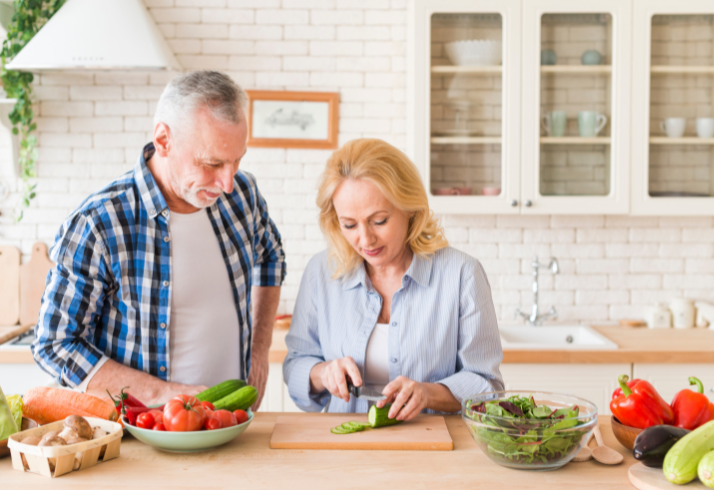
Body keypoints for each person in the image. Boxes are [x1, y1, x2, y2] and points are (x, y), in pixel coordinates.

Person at [32, 71, 286, 409]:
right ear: (163, 140)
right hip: (139, 435)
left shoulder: (242, 194)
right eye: (212, 163)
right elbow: (55, 345)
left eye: (236, 161)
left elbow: (271, 258)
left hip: (233, 424)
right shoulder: (99, 223)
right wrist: (163, 394)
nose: (227, 182)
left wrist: (259, 351)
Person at [284, 138, 503, 420]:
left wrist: (428, 392)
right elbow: (296, 363)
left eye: (379, 221)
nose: (365, 239)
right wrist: (323, 373)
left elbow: (487, 385)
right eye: (349, 224)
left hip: (433, 446)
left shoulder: (462, 274)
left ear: (409, 207)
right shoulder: (320, 272)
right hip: (344, 446)